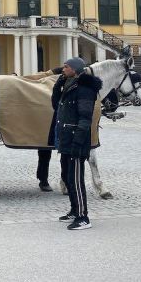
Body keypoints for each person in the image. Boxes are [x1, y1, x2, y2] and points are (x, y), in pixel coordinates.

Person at [55, 57, 103, 230]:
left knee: (76, 180)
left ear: (75, 70)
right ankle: (74, 210)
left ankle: (83, 217)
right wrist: (57, 86)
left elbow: (85, 119)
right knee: (68, 177)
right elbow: (55, 105)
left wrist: (78, 142)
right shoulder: (69, 85)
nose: (63, 69)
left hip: (76, 141)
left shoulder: (84, 89)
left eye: (66, 67)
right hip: (66, 140)